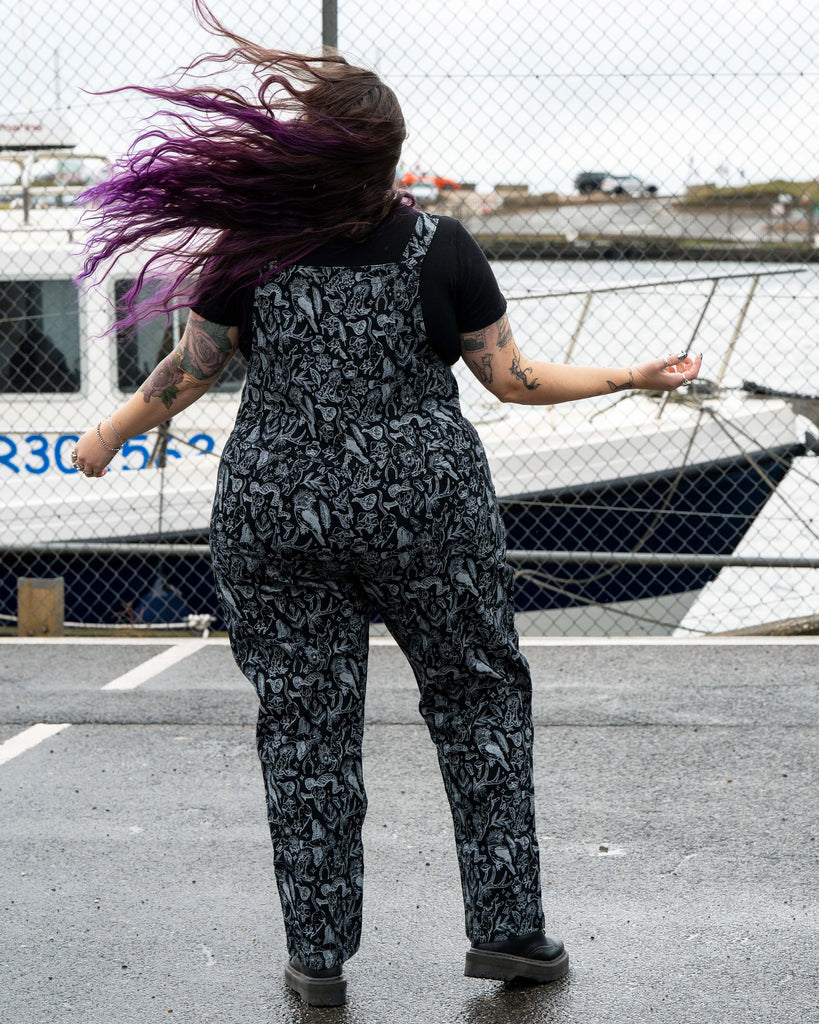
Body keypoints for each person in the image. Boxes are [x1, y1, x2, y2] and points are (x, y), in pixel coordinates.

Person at [72, 2, 702, 1008]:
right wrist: (632, 373)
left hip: (278, 512)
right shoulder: (441, 249)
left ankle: (318, 958)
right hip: (426, 512)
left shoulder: (251, 248)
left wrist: (107, 434)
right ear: (387, 161)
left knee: (305, 724)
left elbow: (190, 368)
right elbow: (513, 380)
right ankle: (509, 932)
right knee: (477, 698)